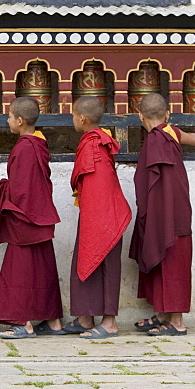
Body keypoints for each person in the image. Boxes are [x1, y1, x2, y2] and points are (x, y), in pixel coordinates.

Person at [0, 96, 63, 338]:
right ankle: (53, 322)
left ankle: (23, 323)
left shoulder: (23, 147)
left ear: (20, 121)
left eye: (9, 116)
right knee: (43, 269)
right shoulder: (39, 144)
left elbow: (20, 190)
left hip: (26, 219)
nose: (7, 120)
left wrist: (3, 188)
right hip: (42, 215)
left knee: (18, 271)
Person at [129, 93, 195, 337]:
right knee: (164, 259)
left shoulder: (155, 140)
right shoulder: (169, 133)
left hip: (168, 212)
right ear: (168, 115)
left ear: (140, 115)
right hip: (172, 207)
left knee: (172, 261)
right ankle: (162, 315)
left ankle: (177, 322)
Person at [64, 96, 132, 340]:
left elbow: (100, 187)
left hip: (105, 216)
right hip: (94, 213)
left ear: (82, 118)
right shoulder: (94, 142)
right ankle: (85, 317)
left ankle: (110, 322)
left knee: (106, 267)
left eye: (73, 115)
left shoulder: (94, 146)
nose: (72, 119)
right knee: (84, 261)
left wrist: (99, 223)